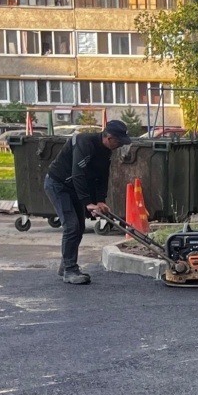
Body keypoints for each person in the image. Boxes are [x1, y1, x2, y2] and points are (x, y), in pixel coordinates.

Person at [43, 120, 131, 284]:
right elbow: (78, 173)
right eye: (118, 142)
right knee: (71, 226)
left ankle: (66, 266)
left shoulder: (105, 151)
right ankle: (70, 271)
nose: (120, 146)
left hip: (73, 187)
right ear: (109, 138)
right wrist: (87, 203)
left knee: (79, 227)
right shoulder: (85, 143)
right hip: (58, 185)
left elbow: (101, 177)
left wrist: (100, 200)